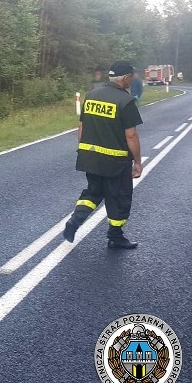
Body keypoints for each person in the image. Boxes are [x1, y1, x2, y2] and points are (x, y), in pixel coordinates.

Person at [63, 61, 143, 248]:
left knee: (93, 192)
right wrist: (137, 162)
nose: (131, 81)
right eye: (131, 77)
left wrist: (84, 150)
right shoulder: (126, 101)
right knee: (119, 197)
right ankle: (115, 237)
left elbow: (81, 127)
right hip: (116, 162)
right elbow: (131, 135)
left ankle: (75, 221)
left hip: (90, 157)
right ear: (125, 78)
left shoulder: (91, 96)